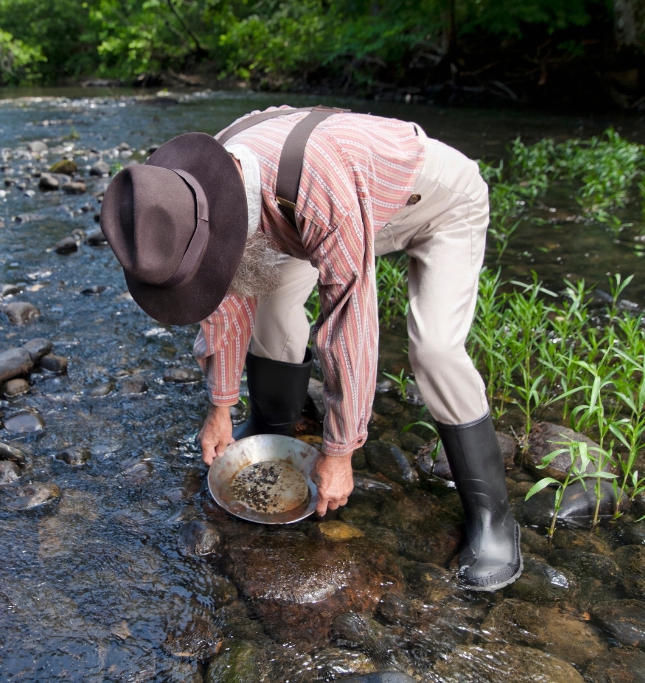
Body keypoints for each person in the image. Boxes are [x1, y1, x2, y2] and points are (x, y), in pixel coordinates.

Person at [99, 105, 522, 592]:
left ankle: (494, 518)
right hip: (321, 206)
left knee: (434, 351)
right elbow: (224, 294)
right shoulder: (197, 188)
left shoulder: (319, 187)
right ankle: (273, 426)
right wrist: (221, 405)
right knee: (273, 306)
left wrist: (339, 452)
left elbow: (350, 319)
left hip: (434, 202)